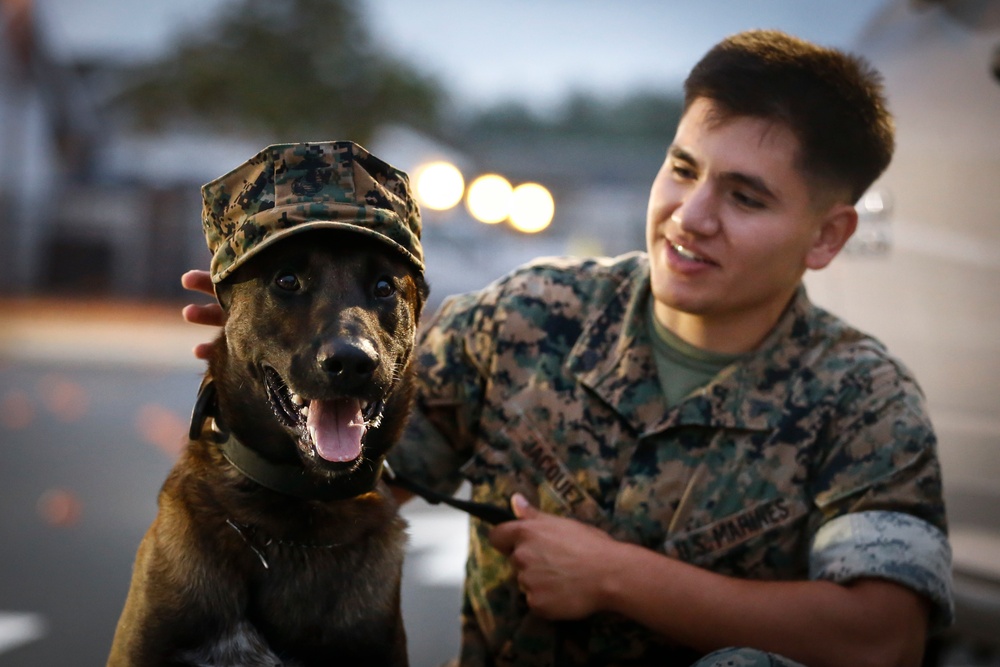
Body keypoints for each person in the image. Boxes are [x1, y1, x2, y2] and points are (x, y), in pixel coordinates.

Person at [182, 29, 952, 667]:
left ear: (828, 235)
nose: (692, 216)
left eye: (745, 197)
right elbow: (330, 494)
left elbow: (883, 636)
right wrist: (281, 358)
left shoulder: (863, 397)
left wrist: (617, 577)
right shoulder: (527, 318)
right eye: (682, 170)